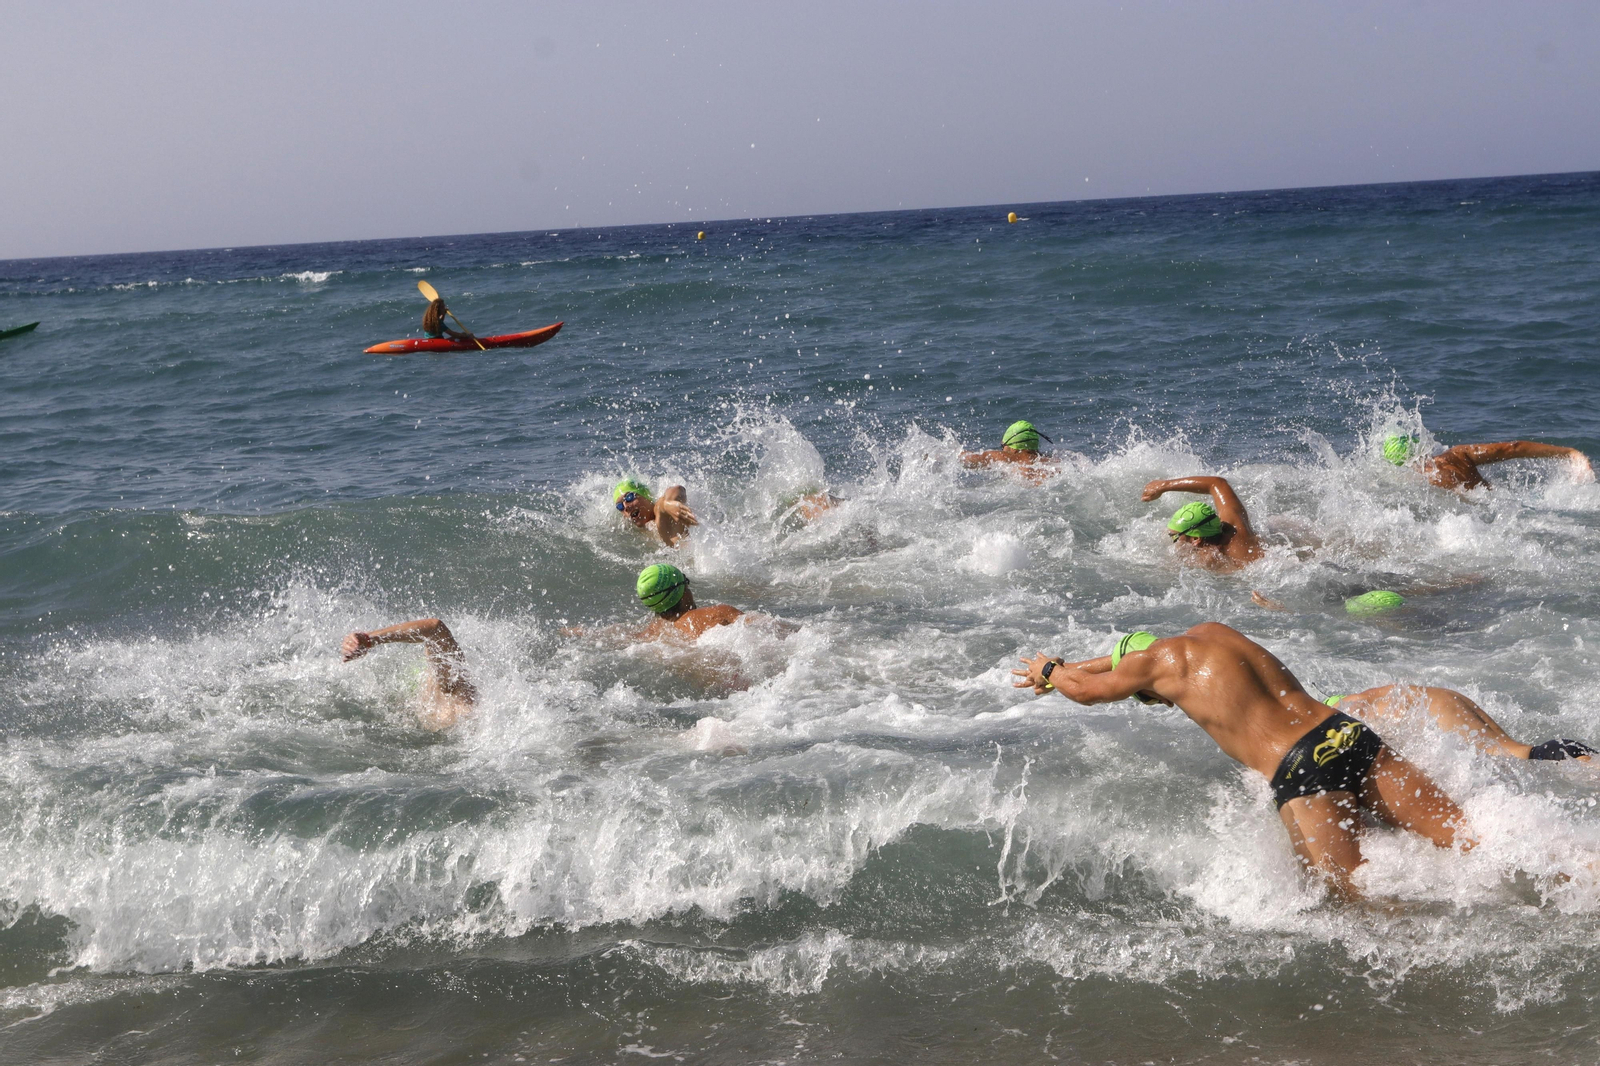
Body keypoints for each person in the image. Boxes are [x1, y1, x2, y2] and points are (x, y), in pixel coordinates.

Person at [1012, 623, 1472, 901]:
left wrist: (1049, 670)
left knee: (1354, 900)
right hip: (1345, 731)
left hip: (1302, 768)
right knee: (1466, 839)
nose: (1165, 704)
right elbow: (1125, 659)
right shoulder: (1215, 633)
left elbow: (1086, 692)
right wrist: (1088, 663)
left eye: (1152, 700)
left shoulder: (1153, 663)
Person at [1323, 685, 1596, 763]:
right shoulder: (1391, 694)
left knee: (1509, 753)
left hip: (1547, 757)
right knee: (1508, 748)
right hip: (1549, 750)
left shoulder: (1353, 706)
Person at [340, 618, 475, 731]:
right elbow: (435, 628)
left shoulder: (469, 713)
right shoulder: (453, 687)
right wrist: (368, 639)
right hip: (416, 687)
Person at [1383, 434, 1593, 492]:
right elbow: (1513, 447)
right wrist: (1569, 452)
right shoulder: (1457, 455)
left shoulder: (1414, 486)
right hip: (1509, 507)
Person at [1141, 475, 1263, 571]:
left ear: (1196, 539)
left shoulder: (1234, 557)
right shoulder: (1231, 521)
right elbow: (1217, 483)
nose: (1172, 541)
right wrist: (1164, 486)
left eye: (1175, 537)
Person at [633, 564, 745, 640]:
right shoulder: (720, 614)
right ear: (680, 591)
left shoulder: (647, 636)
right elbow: (759, 626)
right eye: (685, 582)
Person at [614, 478, 698, 547]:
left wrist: (668, 503)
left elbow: (677, 489)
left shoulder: (660, 515)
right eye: (620, 506)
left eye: (629, 497)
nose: (626, 507)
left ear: (645, 495)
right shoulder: (641, 529)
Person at [961, 420, 1055, 481]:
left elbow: (967, 459)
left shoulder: (1005, 459)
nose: (1002, 450)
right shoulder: (1052, 463)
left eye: (1003, 446)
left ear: (1012, 446)